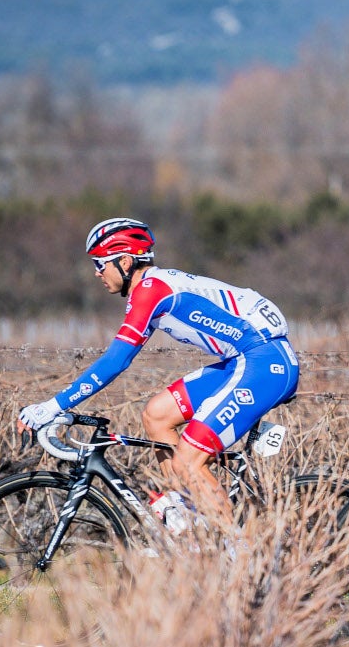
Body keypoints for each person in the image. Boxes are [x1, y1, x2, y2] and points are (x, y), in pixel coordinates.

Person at [17, 218, 299, 526]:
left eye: (100, 264)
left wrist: (52, 406)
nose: (96, 272)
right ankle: (190, 519)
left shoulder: (152, 292)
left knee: (189, 459)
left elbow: (116, 361)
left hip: (264, 362)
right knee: (157, 414)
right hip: (244, 361)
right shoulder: (151, 287)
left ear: (124, 261)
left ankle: (235, 560)